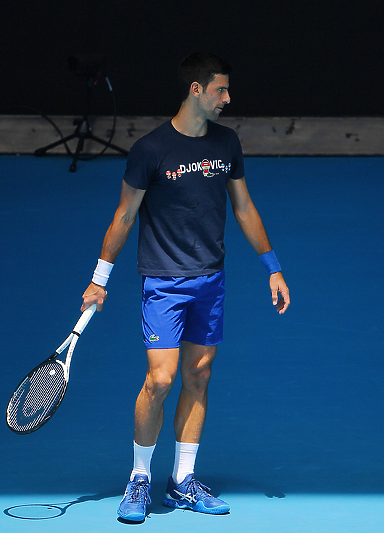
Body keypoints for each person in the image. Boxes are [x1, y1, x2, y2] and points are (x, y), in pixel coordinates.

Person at [81, 52, 290, 523]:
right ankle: (139, 479)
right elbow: (124, 215)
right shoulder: (150, 150)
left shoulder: (226, 143)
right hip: (163, 283)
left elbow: (244, 207)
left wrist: (272, 267)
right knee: (160, 380)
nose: (228, 99)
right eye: (221, 90)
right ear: (196, 90)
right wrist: (99, 279)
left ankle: (182, 480)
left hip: (210, 280)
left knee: (199, 376)